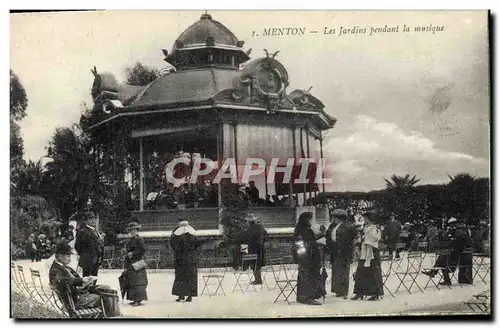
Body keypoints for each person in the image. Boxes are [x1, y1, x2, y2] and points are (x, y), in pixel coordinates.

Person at [49, 243, 105, 310]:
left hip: (76, 295)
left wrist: (85, 281)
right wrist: (81, 280)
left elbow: (69, 281)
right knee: (105, 296)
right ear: (60, 256)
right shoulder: (55, 270)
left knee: (105, 289)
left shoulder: (61, 267)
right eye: (68, 256)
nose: (70, 258)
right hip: (75, 301)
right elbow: (62, 281)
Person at [422, 217, 473, 285]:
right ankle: (435, 272)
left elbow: (458, 243)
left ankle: (435, 272)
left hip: (457, 256)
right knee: (442, 260)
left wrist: (452, 246)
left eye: (451, 225)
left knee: (442, 260)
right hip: (457, 254)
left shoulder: (459, 231)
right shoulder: (459, 231)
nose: (450, 227)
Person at [293, 212, 325, 305]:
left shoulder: (300, 229)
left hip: (303, 256)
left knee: (304, 276)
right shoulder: (306, 230)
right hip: (308, 257)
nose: (312, 221)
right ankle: (308, 297)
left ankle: (303, 296)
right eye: (310, 219)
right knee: (309, 276)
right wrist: (318, 243)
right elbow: (308, 243)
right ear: (307, 220)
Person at [351, 211, 384, 301]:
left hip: (372, 252)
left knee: (373, 273)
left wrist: (364, 238)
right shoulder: (366, 228)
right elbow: (364, 238)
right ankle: (359, 292)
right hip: (365, 252)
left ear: (370, 219)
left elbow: (375, 238)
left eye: (366, 218)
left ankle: (375, 293)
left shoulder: (374, 228)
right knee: (360, 271)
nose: (364, 220)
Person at [325, 209, 357, 299]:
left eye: (335, 217)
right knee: (336, 270)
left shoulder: (347, 226)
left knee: (343, 271)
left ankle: (343, 291)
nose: (333, 219)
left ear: (340, 218)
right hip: (335, 250)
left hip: (344, 251)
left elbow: (353, 237)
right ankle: (337, 290)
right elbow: (328, 235)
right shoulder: (332, 226)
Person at [171, 221, 199, 302]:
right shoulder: (192, 235)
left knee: (180, 278)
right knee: (190, 278)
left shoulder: (176, 236)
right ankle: (189, 296)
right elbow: (196, 245)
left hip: (181, 260)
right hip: (190, 259)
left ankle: (181, 295)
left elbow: (173, 246)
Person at [123, 221, 148, 306]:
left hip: (137, 262)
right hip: (131, 262)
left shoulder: (139, 239)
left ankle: (138, 299)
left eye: (134, 230)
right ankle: (134, 299)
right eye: (131, 230)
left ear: (137, 230)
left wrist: (133, 253)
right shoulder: (132, 239)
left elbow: (143, 249)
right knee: (132, 281)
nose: (132, 231)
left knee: (138, 281)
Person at [239, 214, 269, 285]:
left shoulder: (248, 230)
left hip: (252, 250)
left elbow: (244, 241)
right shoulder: (261, 228)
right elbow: (266, 237)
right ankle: (258, 279)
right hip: (261, 249)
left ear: (248, 222)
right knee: (258, 265)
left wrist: (244, 252)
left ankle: (257, 280)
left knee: (254, 264)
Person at [75, 213, 104, 278]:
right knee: (87, 279)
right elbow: (77, 246)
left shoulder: (95, 231)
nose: (93, 221)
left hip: (96, 258)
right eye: (90, 219)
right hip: (88, 259)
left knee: (94, 278)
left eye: (94, 219)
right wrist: (84, 254)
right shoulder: (83, 231)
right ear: (85, 221)